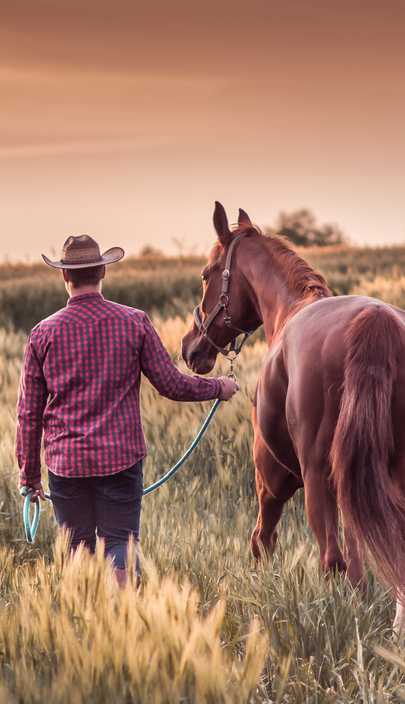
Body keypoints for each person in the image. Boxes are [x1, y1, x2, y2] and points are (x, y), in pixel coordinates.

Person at [18, 235, 239, 587]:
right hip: (120, 460)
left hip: (66, 464)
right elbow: (171, 384)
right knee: (120, 544)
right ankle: (122, 622)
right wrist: (218, 387)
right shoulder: (134, 322)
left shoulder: (42, 334)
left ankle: (85, 628)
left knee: (76, 549)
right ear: (103, 270)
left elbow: (29, 414)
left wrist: (29, 475)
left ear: (65, 277)